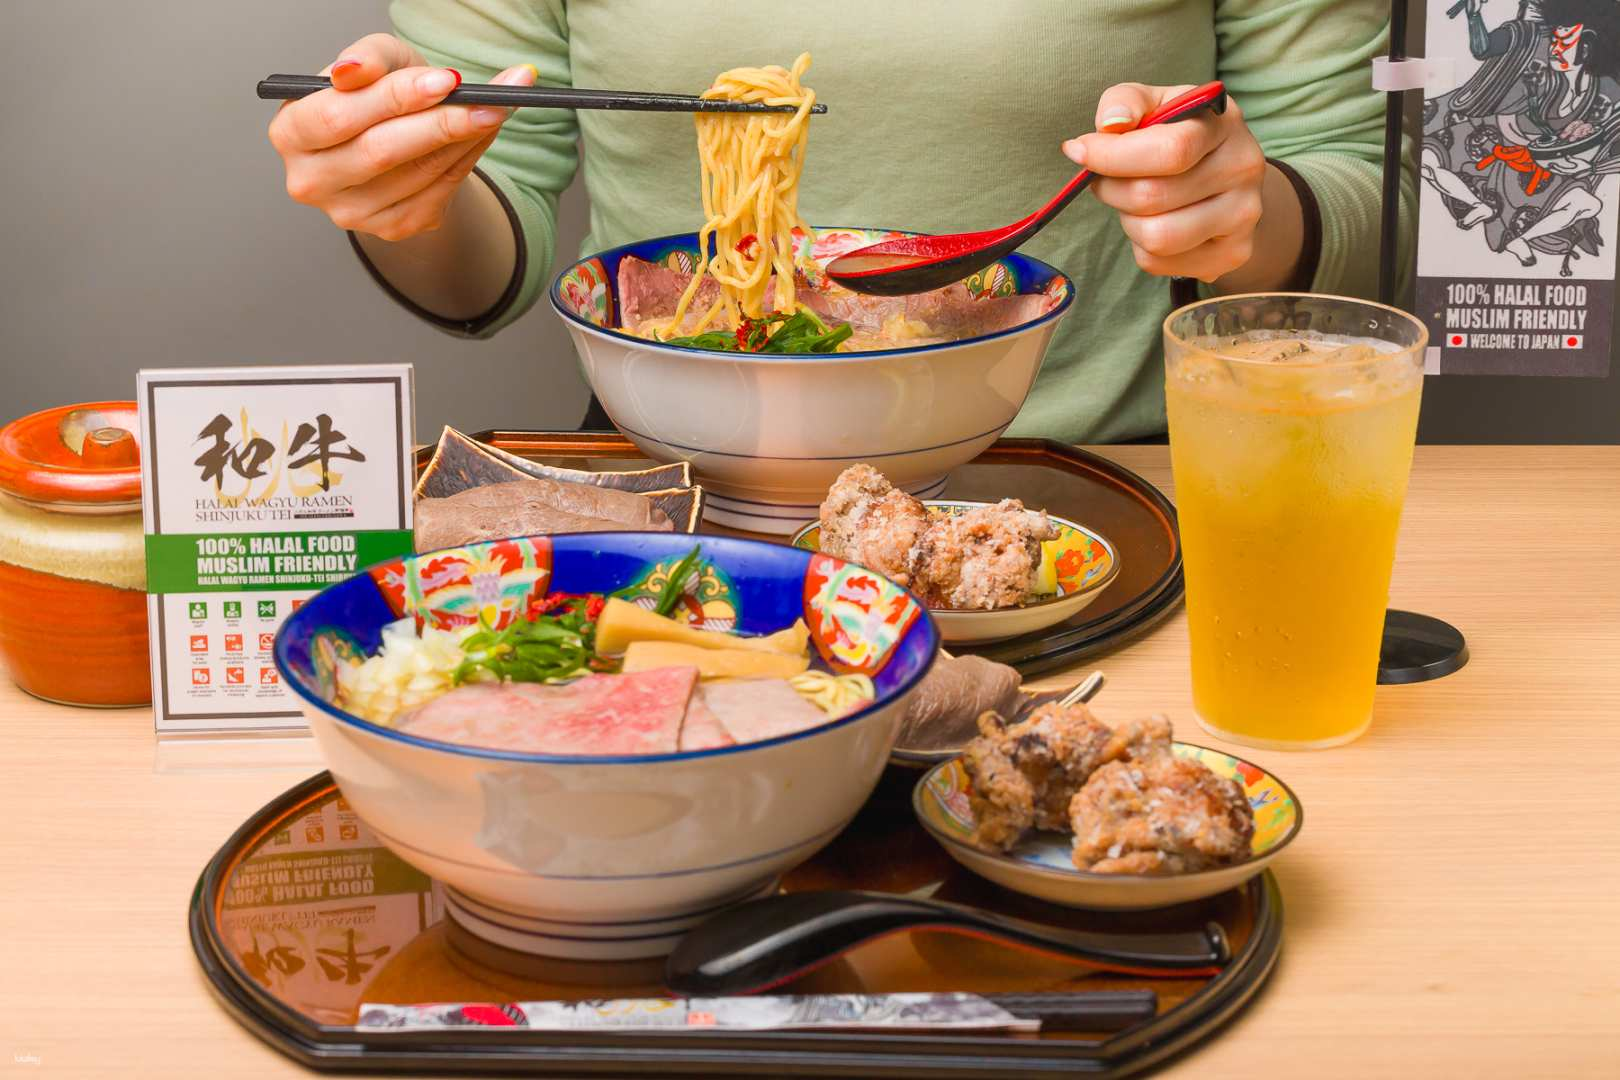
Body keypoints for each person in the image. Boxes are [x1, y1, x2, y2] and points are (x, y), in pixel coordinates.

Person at [268, 1, 1405, 442]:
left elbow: (1355, 184)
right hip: (688, 489)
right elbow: (485, 265)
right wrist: (402, 191)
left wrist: (1232, 215)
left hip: (1096, 487)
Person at [1421, 0, 1619, 275]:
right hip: (1497, 142)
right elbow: (1484, 49)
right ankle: (1478, 205)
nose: (1554, 50)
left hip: (1541, 167)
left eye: (1564, 43)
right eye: (1554, 42)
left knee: (1589, 204)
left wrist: (1586, 153)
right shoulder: (1541, 73)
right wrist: (1474, 16)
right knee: (1425, 158)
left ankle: (1522, 238)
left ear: (1586, 49)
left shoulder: (1606, 92)